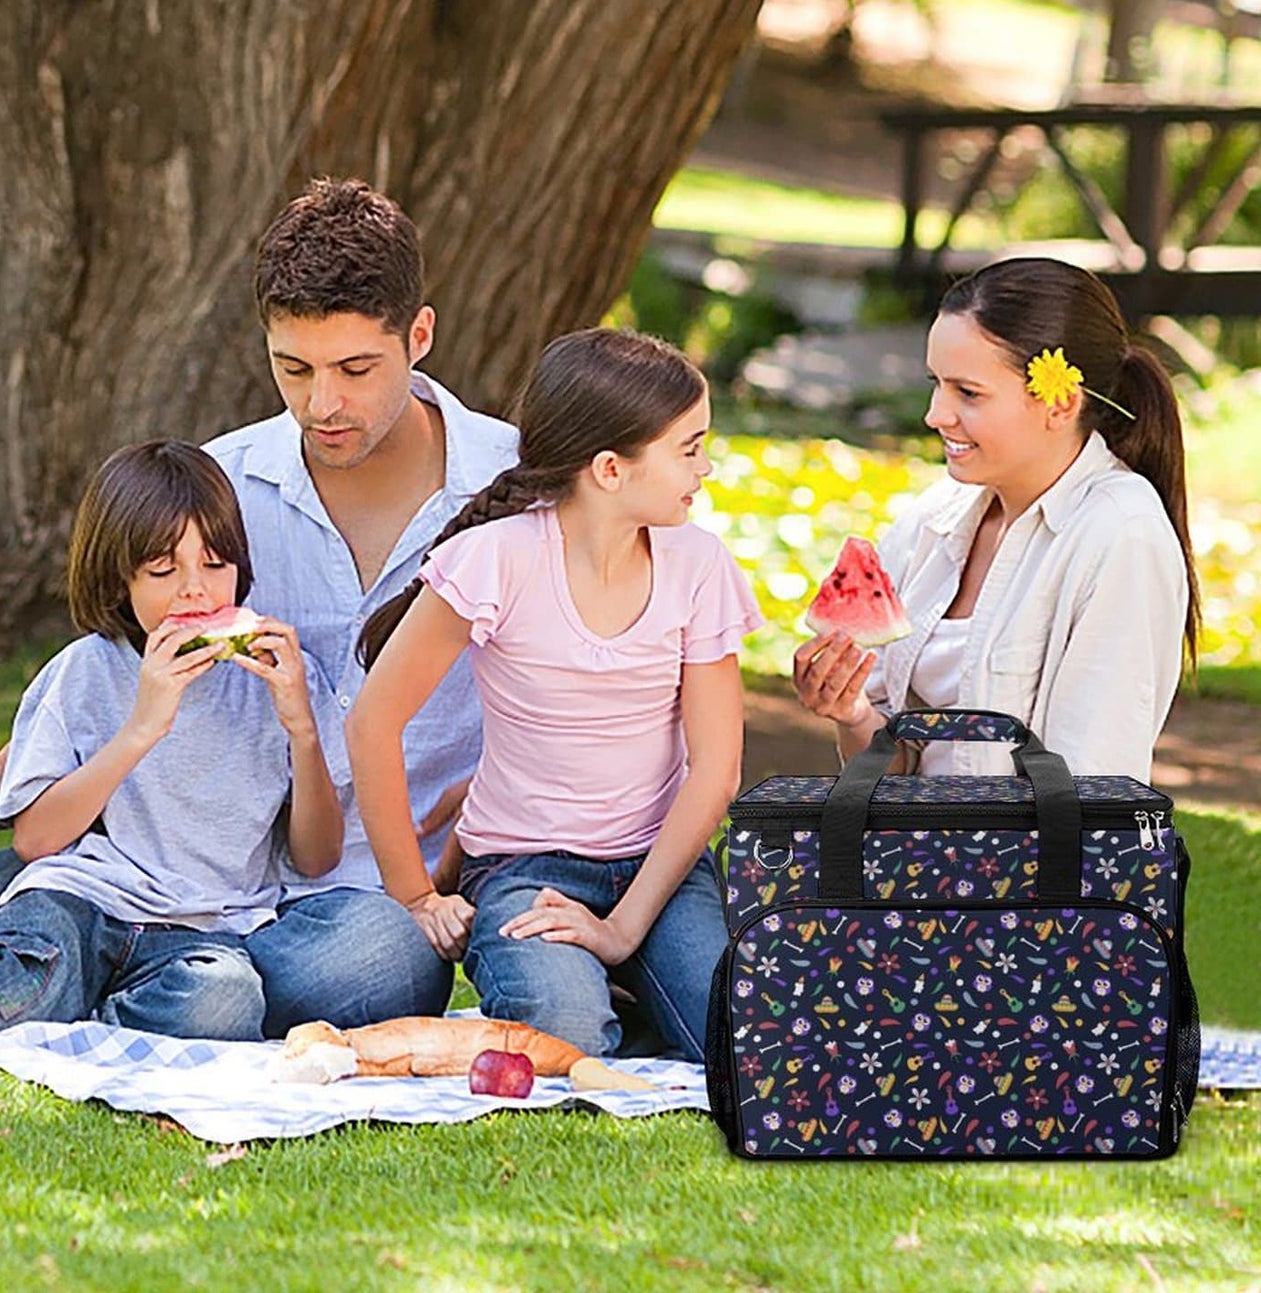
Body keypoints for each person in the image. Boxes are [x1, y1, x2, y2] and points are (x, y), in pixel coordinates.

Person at [0, 179, 518, 1036]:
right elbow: (110, 675)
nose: (321, 404)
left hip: (341, 897)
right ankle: (68, 964)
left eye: (355, 369)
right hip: (137, 854)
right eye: (292, 369)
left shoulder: (513, 493)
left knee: (380, 968)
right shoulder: (220, 488)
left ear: (419, 336)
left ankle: (100, 983)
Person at [0, 441, 341, 1039]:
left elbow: (317, 856)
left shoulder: (281, 684)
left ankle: (82, 1026)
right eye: (165, 570)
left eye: (216, 565)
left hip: (205, 932)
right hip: (78, 905)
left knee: (225, 1002)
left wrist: (301, 728)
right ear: (120, 582)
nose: (196, 591)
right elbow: (37, 838)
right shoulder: (85, 672)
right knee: (10, 997)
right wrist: (142, 728)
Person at [347, 329, 764, 1060]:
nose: (706, 466)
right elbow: (371, 723)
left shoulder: (699, 566)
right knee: (566, 1035)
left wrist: (623, 929)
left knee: (743, 1043)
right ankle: (594, 989)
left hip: (658, 865)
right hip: (522, 867)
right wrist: (416, 894)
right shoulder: (495, 559)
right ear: (609, 468)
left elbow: (715, 771)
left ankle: (627, 977)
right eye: (688, 448)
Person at [793, 257, 1199, 781]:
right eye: (936, 383)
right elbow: (898, 765)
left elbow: (1095, 784)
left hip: (1029, 862)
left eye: (968, 393)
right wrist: (851, 713)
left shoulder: (1120, 533)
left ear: (1060, 403)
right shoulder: (934, 517)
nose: (935, 414)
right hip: (917, 856)